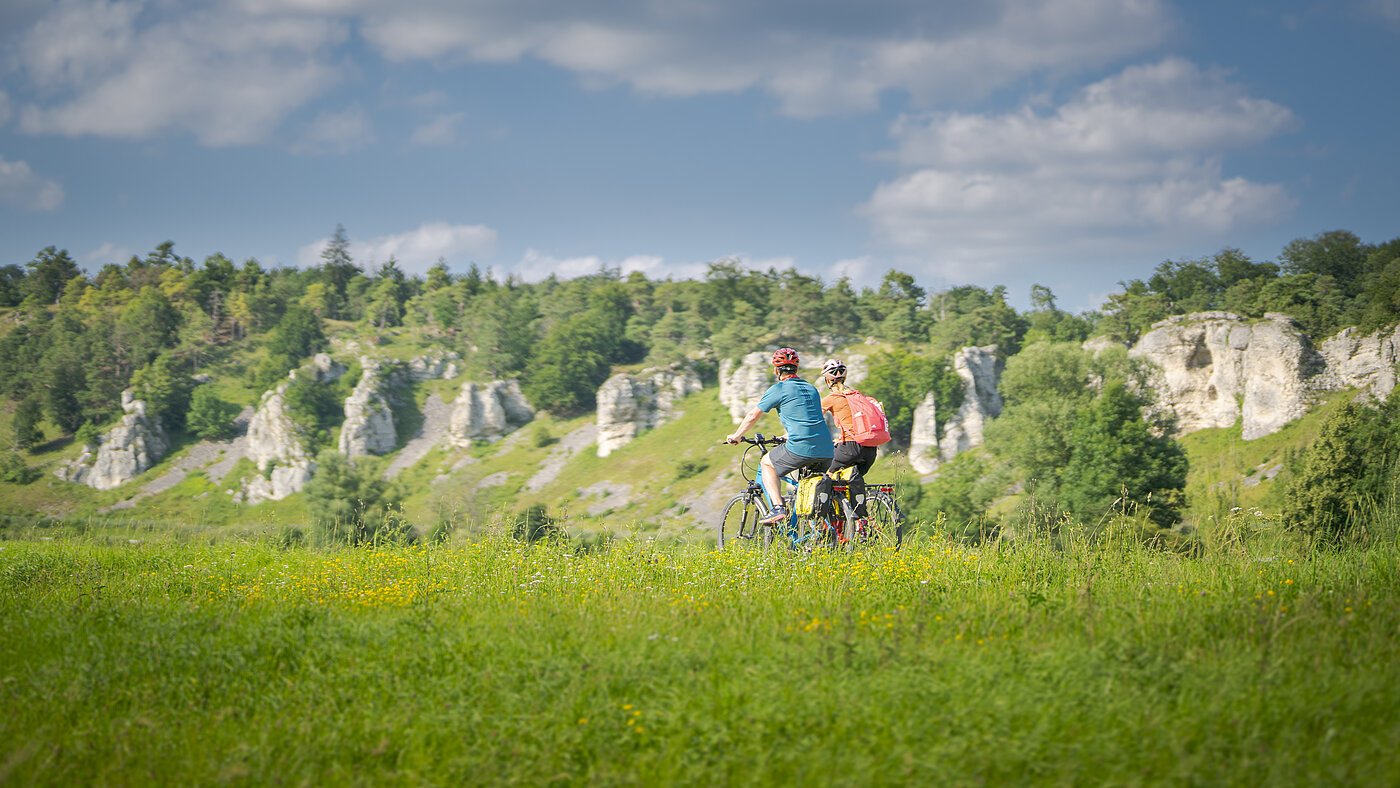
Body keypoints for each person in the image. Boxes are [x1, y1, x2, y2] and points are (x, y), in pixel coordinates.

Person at [724, 347, 834, 524]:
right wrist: (788, 435)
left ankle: (777, 508)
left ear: (777, 370)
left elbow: (753, 415)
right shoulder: (811, 388)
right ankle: (813, 532)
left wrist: (737, 435)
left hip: (801, 447)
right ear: (796, 369)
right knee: (808, 491)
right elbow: (809, 419)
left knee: (767, 463)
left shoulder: (780, 389)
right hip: (827, 450)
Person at [819, 358, 876, 527]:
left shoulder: (832, 398)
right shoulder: (858, 396)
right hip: (870, 450)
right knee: (848, 481)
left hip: (850, 447)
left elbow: (812, 420)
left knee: (823, 474)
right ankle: (860, 523)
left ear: (827, 380)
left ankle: (825, 523)